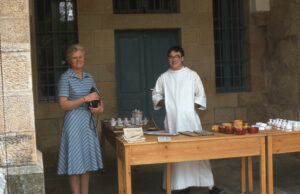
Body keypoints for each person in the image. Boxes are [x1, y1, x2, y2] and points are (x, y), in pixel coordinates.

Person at [152, 46, 225, 194]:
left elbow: (201, 97)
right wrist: (168, 102)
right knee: (175, 153)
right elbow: (156, 96)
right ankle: (178, 186)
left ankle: (209, 185)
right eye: (171, 57)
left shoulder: (192, 75)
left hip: (191, 121)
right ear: (168, 59)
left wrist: (187, 106)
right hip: (173, 122)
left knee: (198, 152)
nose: (174, 59)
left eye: (177, 56)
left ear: (182, 58)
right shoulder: (164, 77)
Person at [57, 44, 104, 194]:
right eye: (74, 58)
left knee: (86, 165)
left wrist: (99, 108)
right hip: (73, 123)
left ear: (84, 58)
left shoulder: (89, 77)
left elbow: (97, 98)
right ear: (70, 60)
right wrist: (84, 99)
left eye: (80, 57)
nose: (78, 60)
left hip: (87, 123)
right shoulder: (65, 78)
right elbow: (63, 104)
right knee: (75, 166)